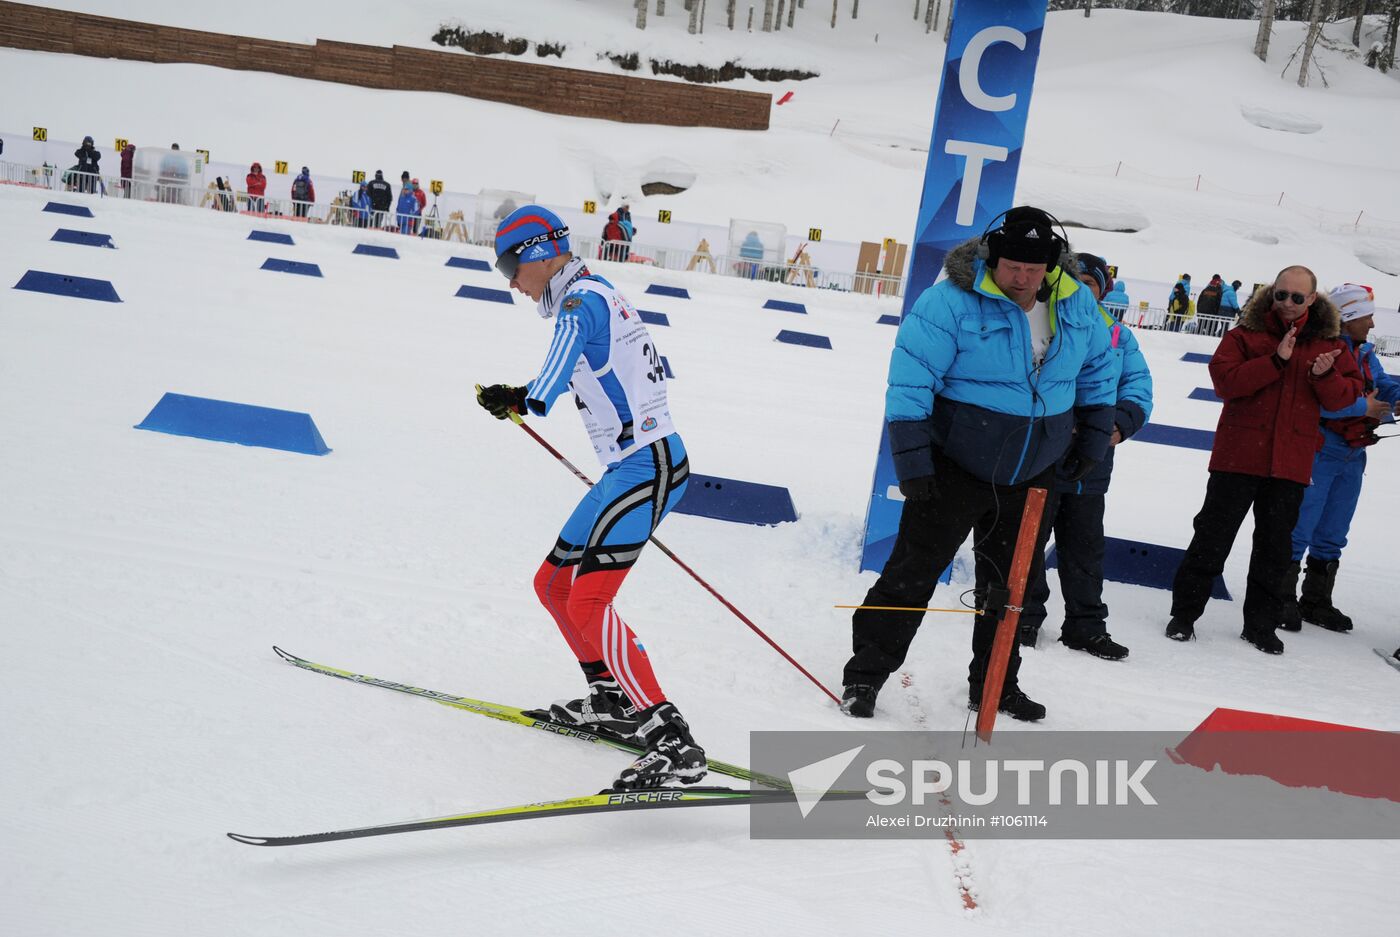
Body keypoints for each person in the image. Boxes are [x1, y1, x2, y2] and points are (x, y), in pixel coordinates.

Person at [840, 206, 1117, 722]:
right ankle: (864, 676)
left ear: (1052, 264)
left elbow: (1100, 370)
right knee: (910, 576)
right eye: (1012, 266)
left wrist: (1093, 441)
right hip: (954, 466)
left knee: (1009, 590)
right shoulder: (948, 301)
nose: (1022, 278)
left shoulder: (1076, 302)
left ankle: (995, 686)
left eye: (1033, 269)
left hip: (1033, 473)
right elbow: (911, 380)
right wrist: (913, 461)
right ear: (992, 257)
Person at [475, 205, 702, 791]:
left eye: (510, 268)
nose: (512, 284)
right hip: (629, 468)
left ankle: (671, 739)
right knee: (553, 584)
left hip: (647, 464)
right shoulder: (592, 294)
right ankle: (610, 697)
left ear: (537, 253)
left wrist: (523, 397)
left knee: (589, 601)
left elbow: (558, 366)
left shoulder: (580, 303)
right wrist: (520, 396)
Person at [1165, 266, 1364, 653]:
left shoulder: (1330, 345)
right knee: (1211, 540)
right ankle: (1184, 615)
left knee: (1275, 551)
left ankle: (1260, 626)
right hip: (1238, 458)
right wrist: (1275, 361)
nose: (1287, 303)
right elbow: (1225, 382)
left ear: (1312, 299)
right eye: (1281, 294)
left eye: (1297, 297)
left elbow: (1347, 397)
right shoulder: (1245, 334)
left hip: (1290, 464)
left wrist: (1325, 377)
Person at [1011, 252, 1153, 661]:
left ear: (1102, 291)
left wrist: (1118, 424)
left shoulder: (1117, 336)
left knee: (1085, 549)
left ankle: (1085, 626)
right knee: (1028, 542)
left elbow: (1137, 386)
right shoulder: (1041, 323)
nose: (1081, 291)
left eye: (1089, 284)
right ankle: (1024, 618)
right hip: (1041, 456)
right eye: (1075, 283)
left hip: (1091, 463)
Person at [1283, 284, 1400, 633]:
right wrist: (1364, 407)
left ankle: (1315, 599)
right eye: (1367, 317)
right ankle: (1279, 596)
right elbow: (1314, 401)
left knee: (1335, 529)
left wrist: (1396, 398)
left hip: (1353, 453)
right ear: (1348, 318)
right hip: (1321, 450)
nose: (1372, 325)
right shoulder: (1323, 349)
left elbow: (1382, 383)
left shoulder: (1364, 352)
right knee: (1300, 525)